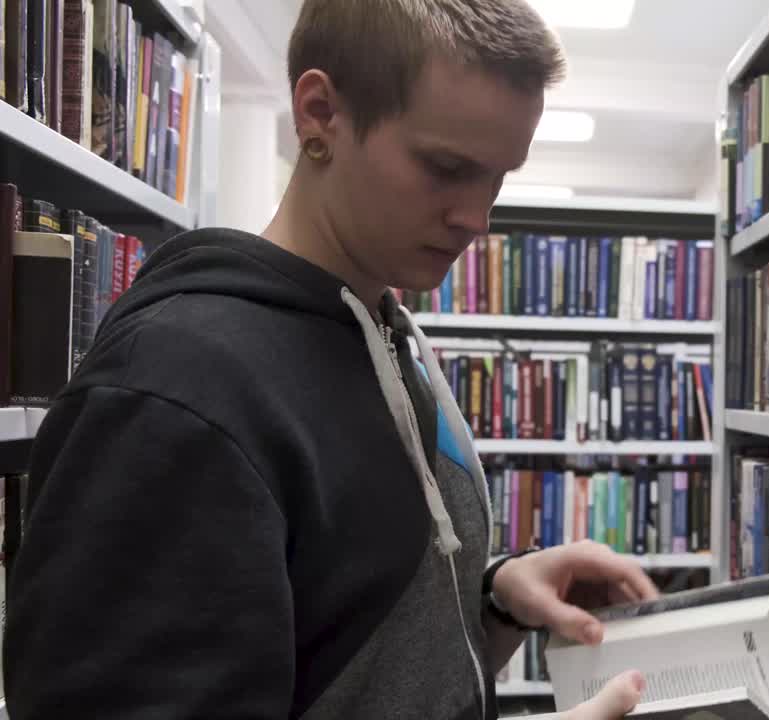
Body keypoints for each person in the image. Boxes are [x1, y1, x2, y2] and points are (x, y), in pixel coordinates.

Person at [3, 1, 655, 717]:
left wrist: (496, 598)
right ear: (319, 115)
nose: (478, 218)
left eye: (498, 178)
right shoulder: (168, 396)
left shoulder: (389, 332)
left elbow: (346, 652)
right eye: (446, 168)